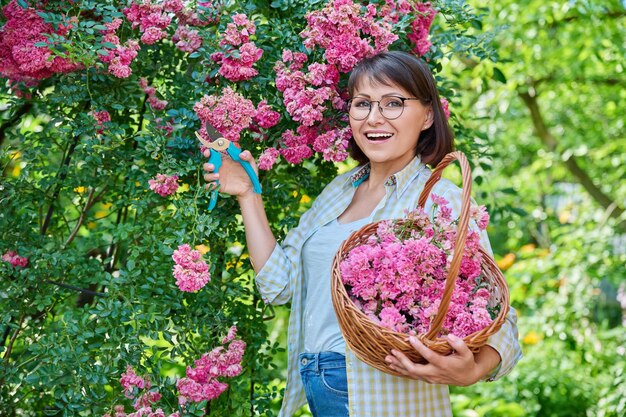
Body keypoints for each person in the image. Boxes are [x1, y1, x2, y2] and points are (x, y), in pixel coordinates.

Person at [202, 51, 522, 417]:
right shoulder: (338, 191)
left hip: (384, 395)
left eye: (393, 103)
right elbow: (279, 285)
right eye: (362, 104)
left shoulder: (439, 200)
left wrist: (474, 370)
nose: (373, 118)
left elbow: (497, 312)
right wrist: (248, 193)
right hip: (320, 388)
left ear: (428, 115)